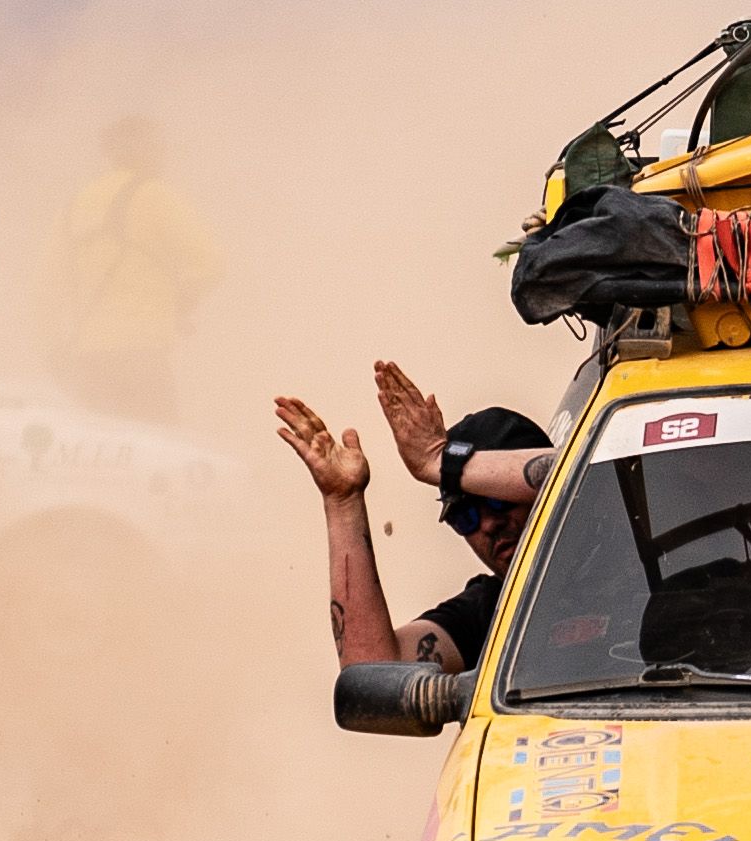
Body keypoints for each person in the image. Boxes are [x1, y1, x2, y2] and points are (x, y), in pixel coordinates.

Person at [273, 367, 551, 669]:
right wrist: (343, 502)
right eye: (465, 517)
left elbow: (581, 469)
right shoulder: (491, 613)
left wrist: (443, 463)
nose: (487, 525)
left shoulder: (610, 517)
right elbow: (375, 679)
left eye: (499, 500)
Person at [52, 115, 220, 419]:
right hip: (141, 355)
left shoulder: (75, 205)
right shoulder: (155, 196)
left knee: (102, 455)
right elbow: (209, 264)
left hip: (86, 359)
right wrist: (182, 302)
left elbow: (47, 288)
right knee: (158, 447)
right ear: (149, 150)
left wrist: (52, 352)